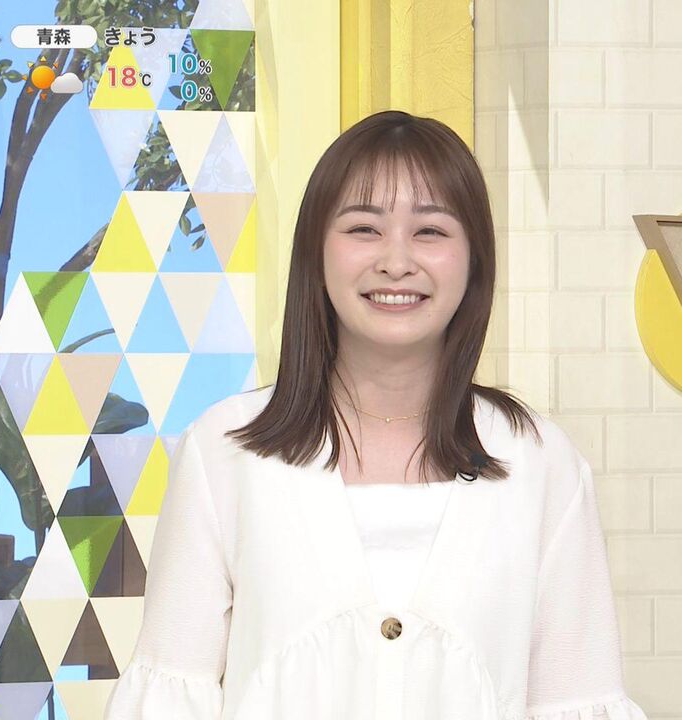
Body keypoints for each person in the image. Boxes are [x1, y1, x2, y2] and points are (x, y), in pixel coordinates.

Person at [104, 110, 648, 719]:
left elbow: (577, 697)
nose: (396, 261)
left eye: (430, 231)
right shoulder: (226, 450)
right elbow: (171, 694)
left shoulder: (538, 461)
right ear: (316, 252)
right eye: (364, 228)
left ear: (475, 259)